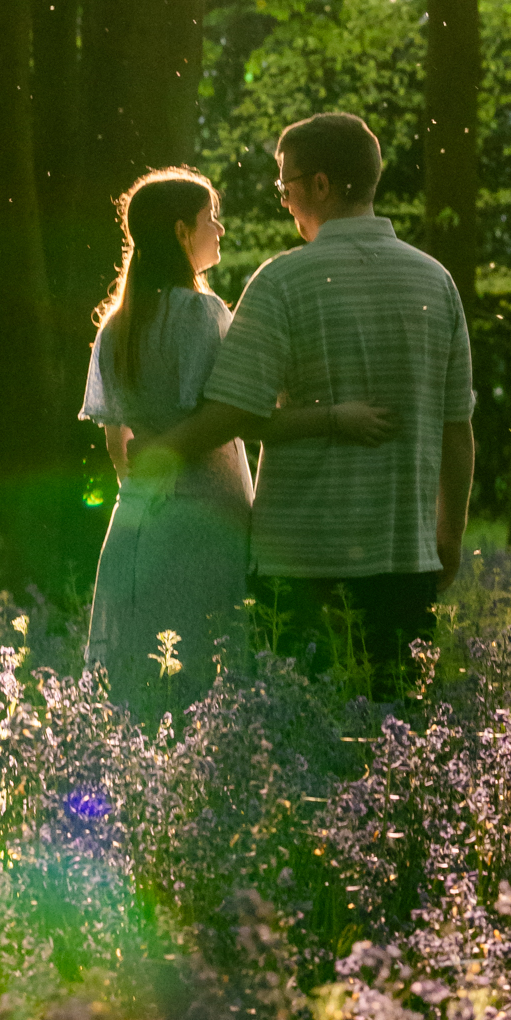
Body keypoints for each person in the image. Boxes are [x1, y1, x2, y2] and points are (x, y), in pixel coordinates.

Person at [137, 110, 474, 700]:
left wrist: (162, 452)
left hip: (302, 562)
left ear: (321, 185)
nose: (285, 201)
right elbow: (458, 430)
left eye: (286, 185)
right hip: (404, 556)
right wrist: (446, 541)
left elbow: (232, 412)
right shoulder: (435, 282)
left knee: (300, 737)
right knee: (396, 740)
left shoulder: (282, 282)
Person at [79, 166, 383, 723]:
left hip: (136, 523)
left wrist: (146, 491)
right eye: (209, 219)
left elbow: (116, 444)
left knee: (145, 677)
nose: (219, 229)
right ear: (179, 232)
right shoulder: (201, 313)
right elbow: (237, 416)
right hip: (204, 519)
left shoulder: (116, 326)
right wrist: (336, 417)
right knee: (206, 666)